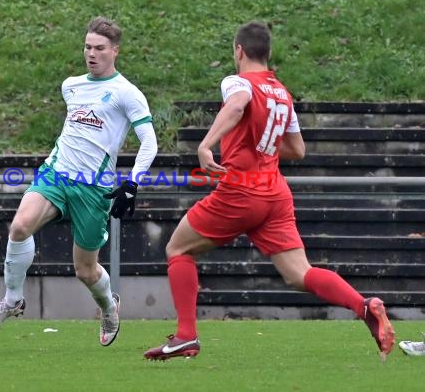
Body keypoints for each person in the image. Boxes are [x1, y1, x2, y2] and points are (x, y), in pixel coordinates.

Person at [143, 21, 395, 361]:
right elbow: (298, 150)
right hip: (274, 193)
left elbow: (236, 105)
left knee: (178, 248)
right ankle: (363, 305)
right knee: (299, 273)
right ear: (269, 53)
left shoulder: (237, 82)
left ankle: (186, 336)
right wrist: (262, 146)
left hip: (241, 191)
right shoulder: (282, 92)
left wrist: (206, 146)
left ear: (239, 51)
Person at [0, 16, 158, 347]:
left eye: (100, 48)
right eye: (88, 47)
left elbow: (149, 142)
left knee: (85, 271)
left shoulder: (126, 94)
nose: (92, 54)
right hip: (56, 173)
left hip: (93, 189)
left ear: (115, 51)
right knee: (20, 227)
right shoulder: (71, 85)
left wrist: (133, 183)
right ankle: (12, 300)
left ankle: (108, 306)